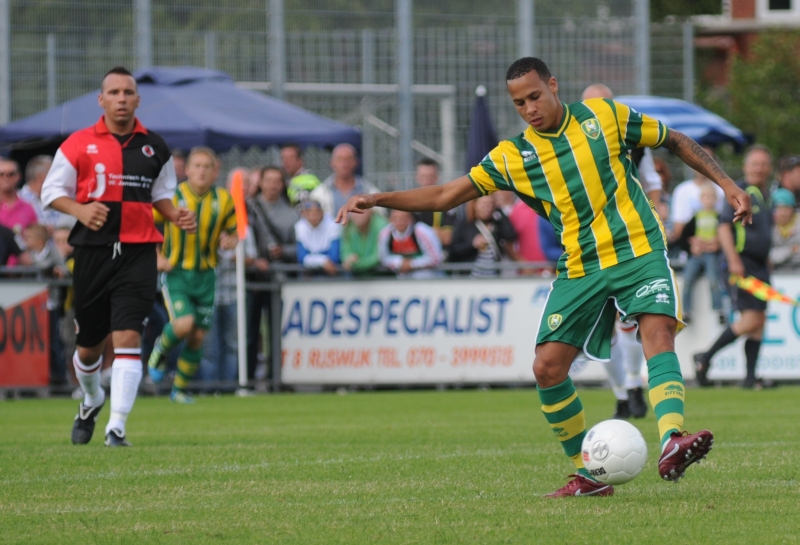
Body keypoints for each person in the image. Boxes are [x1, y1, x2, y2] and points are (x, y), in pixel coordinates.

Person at [337, 57, 752, 497]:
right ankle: (588, 475)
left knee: (657, 332)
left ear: (553, 85)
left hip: (638, 248)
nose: (529, 108)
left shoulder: (604, 115)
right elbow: (445, 193)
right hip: (581, 266)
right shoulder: (513, 156)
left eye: (535, 96)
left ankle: (672, 439)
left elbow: (675, 140)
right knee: (547, 368)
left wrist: (728, 184)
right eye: (519, 103)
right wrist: (379, 198)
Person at [41, 66, 196, 446]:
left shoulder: (155, 147)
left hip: (139, 251)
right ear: (102, 100)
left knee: (128, 335)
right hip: (92, 253)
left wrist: (174, 214)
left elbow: (161, 195)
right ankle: (92, 397)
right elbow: (50, 193)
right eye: (114, 92)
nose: (122, 99)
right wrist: (79, 211)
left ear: (138, 99)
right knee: (89, 346)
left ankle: (117, 427)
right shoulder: (78, 143)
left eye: (128, 92)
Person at [580, 83, 652, 422]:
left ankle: (635, 386)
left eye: (604, 105)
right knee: (598, 330)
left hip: (628, 242)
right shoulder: (569, 145)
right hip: (587, 246)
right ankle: (622, 394)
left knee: (627, 320)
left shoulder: (633, 140)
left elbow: (652, 185)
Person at [147, 146, 237, 404]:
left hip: (207, 275)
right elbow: (147, 224)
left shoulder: (224, 199)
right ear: (186, 170)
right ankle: (159, 352)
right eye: (196, 166)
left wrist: (230, 241)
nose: (201, 171)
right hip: (177, 273)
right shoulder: (171, 198)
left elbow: (233, 232)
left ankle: (179, 391)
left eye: (206, 166)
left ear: (215, 171)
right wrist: (156, 256)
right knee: (184, 324)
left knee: (198, 336)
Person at [694, 145, 773, 390]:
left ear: (768, 168)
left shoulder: (762, 194)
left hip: (760, 265)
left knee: (758, 322)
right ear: (746, 167)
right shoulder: (739, 191)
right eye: (754, 164)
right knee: (750, 319)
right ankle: (704, 358)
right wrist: (734, 261)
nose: (759, 168)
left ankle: (750, 378)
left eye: (763, 164)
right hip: (743, 263)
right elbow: (724, 226)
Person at [246, 166, 299, 381]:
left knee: (277, 333)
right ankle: (247, 378)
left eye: (277, 180)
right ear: (261, 182)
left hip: (278, 278)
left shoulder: (292, 213)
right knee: (249, 332)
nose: (273, 185)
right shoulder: (248, 208)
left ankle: (275, 379)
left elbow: (300, 247)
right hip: (251, 278)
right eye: (268, 180)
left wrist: (283, 251)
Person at [678, 183, 725, 325]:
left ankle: (719, 309)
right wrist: (692, 246)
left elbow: (724, 237)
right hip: (697, 254)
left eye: (712, 197)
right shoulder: (696, 217)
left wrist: (718, 244)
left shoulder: (719, 217)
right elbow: (684, 237)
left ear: (716, 199)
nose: (709, 200)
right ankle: (686, 310)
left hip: (711, 254)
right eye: (706, 197)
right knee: (687, 280)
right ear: (700, 199)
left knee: (714, 280)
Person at [449, 194, 520, 278]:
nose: (487, 208)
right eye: (483, 205)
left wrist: (499, 210)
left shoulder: (496, 223)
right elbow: (453, 251)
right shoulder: (465, 224)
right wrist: (472, 244)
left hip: (492, 275)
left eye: (490, 204)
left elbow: (510, 235)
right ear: (475, 205)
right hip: (470, 276)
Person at [310, 144, 379, 217]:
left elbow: (380, 216)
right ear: (332, 163)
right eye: (339, 159)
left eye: (348, 159)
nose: (344, 164)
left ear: (355, 162)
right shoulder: (319, 194)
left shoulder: (369, 190)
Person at [378, 209, 443, 278]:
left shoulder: (421, 231)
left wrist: (411, 264)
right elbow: (383, 257)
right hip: (401, 278)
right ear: (390, 219)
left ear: (411, 218)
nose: (400, 222)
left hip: (428, 277)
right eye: (396, 219)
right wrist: (399, 263)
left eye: (404, 218)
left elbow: (436, 258)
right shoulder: (385, 234)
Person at [412, 158, 458, 249]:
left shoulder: (447, 203)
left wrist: (421, 233)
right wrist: (435, 232)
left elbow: (447, 238)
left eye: (430, 177)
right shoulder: (410, 203)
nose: (427, 181)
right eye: (423, 177)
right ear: (417, 178)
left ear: (437, 178)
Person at [19, 155, 72, 231]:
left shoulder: (56, 198)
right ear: (41, 177)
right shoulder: (20, 200)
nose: (58, 177)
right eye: (54, 173)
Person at [296, 198, 341, 275]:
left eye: (316, 212)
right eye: (309, 213)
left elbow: (334, 256)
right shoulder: (299, 227)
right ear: (304, 214)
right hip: (309, 271)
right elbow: (301, 257)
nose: (313, 216)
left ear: (322, 212)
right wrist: (323, 261)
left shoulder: (333, 225)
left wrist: (312, 259)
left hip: (330, 271)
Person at [0, 157, 38, 245]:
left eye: (11, 174)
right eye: (1, 174)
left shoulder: (28, 208)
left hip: (21, 257)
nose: (6, 178)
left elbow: (35, 239)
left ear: (18, 176)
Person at [340, 207, 388, 275]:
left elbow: (379, 257)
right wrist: (348, 261)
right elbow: (345, 255)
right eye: (354, 211)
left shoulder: (381, 225)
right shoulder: (348, 226)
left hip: (381, 276)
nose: (357, 215)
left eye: (361, 210)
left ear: (370, 211)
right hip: (356, 277)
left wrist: (355, 264)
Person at [769, 188, 800, 269]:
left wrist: (780, 254)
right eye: (778, 208)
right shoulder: (767, 226)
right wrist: (791, 250)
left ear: (793, 209)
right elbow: (767, 255)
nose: (782, 213)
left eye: (786, 208)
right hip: (775, 274)